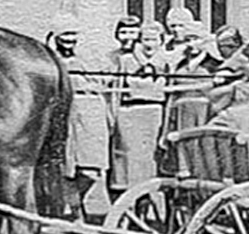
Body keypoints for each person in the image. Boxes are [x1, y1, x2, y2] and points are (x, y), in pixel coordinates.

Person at [49, 24, 112, 220]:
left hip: (92, 110)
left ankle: (77, 201)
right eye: (64, 35)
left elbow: (108, 78)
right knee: (67, 168)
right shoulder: (52, 58)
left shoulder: (92, 56)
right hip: (65, 112)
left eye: (72, 34)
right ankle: (76, 211)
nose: (69, 40)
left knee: (92, 167)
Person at [106, 15, 165, 195]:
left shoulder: (166, 61)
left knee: (148, 158)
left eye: (153, 39)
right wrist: (113, 116)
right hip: (129, 112)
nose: (149, 43)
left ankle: (145, 200)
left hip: (153, 112)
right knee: (126, 156)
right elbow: (116, 90)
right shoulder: (126, 61)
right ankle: (123, 200)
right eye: (145, 39)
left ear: (161, 41)